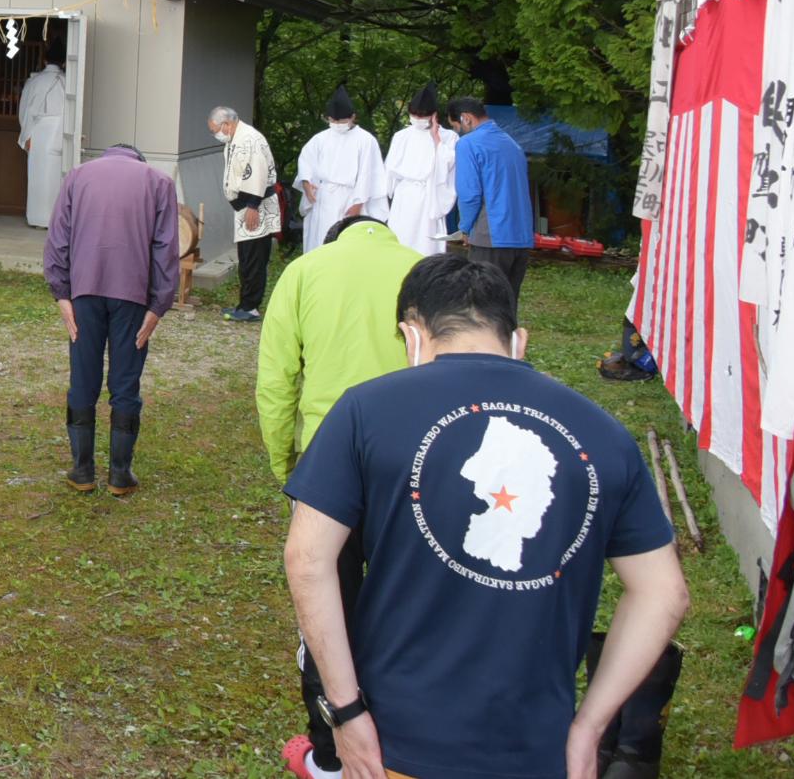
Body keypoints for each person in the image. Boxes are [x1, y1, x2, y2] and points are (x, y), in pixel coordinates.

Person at [283, 253, 689, 779]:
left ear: (412, 336)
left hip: (396, 744)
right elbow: (665, 593)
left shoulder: (364, 411)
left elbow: (307, 559)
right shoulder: (605, 434)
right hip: (537, 752)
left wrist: (346, 711)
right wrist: (589, 727)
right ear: (518, 340)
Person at [254, 215, 419, 779]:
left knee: (326, 608)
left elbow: (276, 380)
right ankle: (404, 746)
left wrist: (286, 465)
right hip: (417, 468)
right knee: (411, 605)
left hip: (329, 468)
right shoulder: (425, 271)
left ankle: (329, 754)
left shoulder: (303, 273)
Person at [43, 145, 179, 495]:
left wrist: (61, 293)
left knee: (83, 376)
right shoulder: (159, 182)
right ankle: (120, 473)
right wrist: (158, 306)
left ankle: (82, 469)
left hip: (84, 290)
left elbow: (58, 237)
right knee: (125, 381)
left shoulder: (77, 176)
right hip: (133, 294)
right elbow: (165, 248)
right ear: (138, 160)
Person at [448, 95, 536, 301]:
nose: (457, 133)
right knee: (507, 304)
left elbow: (469, 193)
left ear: (465, 118)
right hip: (520, 237)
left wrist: (466, 228)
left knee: (483, 305)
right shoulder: (512, 144)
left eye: (455, 127)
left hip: (491, 235)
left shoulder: (469, 144)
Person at [210, 105, 281, 322]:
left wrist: (252, 206)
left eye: (215, 130)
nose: (215, 134)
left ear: (227, 124)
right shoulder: (236, 138)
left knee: (254, 257)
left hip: (255, 206)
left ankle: (251, 306)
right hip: (245, 206)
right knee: (246, 256)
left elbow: (257, 173)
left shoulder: (250, 139)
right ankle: (245, 303)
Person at [294, 85, 385, 255]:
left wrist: (358, 204)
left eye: (342, 121)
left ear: (352, 117)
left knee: (348, 243)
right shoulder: (320, 139)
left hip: (351, 197)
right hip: (324, 197)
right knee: (321, 242)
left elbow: (368, 174)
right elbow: (306, 162)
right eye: (333, 121)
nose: (337, 125)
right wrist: (306, 184)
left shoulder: (365, 140)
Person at [384, 82, 456, 257]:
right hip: (404, 197)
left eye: (422, 115)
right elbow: (389, 171)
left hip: (429, 198)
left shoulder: (449, 137)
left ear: (433, 115)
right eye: (414, 115)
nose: (417, 118)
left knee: (426, 245)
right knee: (401, 241)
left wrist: (436, 139)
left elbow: (449, 166)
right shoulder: (401, 136)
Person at [17, 38, 68, 228]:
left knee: (38, 176)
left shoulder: (34, 81)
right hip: (61, 132)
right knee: (57, 177)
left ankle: (37, 218)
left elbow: (26, 110)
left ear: (45, 60)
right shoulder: (67, 83)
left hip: (38, 132)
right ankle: (56, 221)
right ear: (63, 62)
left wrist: (26, 135)